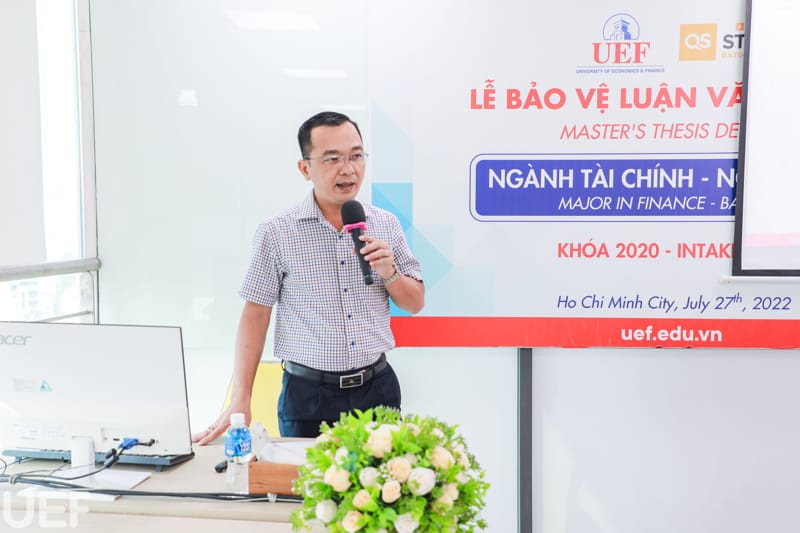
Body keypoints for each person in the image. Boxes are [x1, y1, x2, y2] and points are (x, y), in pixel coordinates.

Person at [194, 111, 424, 442]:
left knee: (382, 476)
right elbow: (256, 313)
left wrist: (390, 273)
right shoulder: (277, 232)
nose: (348, 169)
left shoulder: (385, 224)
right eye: (333, 159)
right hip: (309, 398)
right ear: (305, 169)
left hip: (377, 390)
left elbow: (415, 303)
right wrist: (241, 398)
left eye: (356, 156)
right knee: (304, 478)